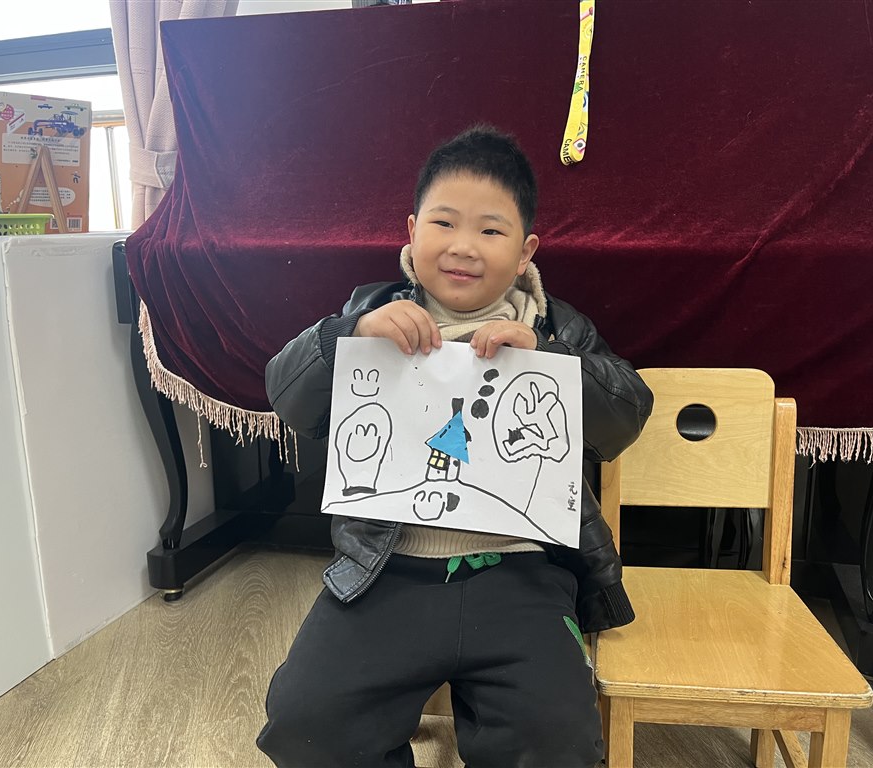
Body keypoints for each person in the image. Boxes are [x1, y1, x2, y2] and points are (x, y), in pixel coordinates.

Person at [257, 125, 653, 767]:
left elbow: (627, 416)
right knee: (306, 721)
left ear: (525, 252)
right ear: (412, 230)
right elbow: (287, 395)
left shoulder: (557, 328)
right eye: (443, 223)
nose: (463, 246)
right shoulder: (368, 313)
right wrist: (345, 336)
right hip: (384, 572)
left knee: (557, 741)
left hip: (525, 577)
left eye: (491, 231)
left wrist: (553, 360)